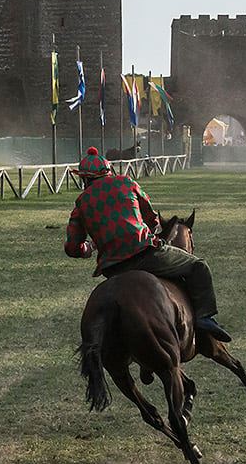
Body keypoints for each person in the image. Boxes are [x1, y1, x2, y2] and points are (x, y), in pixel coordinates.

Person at [64, 146, 233, 343]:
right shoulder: (127, 183)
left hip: (113, 269)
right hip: (145, 254)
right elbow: (152, 219)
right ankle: (204, 318)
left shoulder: (80, 203)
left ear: (84, 178)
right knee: (199, 266)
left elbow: (73, 248)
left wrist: (88, 248)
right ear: (109, 171)